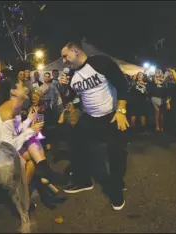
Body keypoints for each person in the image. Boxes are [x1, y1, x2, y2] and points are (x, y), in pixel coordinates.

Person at [0, 70, 67, 209]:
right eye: (21, 85)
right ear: (13, 92)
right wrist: (31, 130)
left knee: (31, 147)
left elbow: (16, 132)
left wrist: (29, 120)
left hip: (0, 146)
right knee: (30, 144)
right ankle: (37, 183)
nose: (25, 87)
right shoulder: (7, 111)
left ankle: (27, 191)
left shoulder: (15, 107)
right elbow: (8, 146)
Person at [60, 42, 129, 210]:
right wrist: (63, 87)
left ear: (76, 51)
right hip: (91, 118)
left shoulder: (100, 63)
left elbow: (122, 84)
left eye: (65, 56)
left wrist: (121, 111)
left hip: (112, 115)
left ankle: (116, 187)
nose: (63, 61)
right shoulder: (73, 76)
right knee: (76, 141)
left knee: (117, 152)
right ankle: (83, 180)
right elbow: (69, 98)